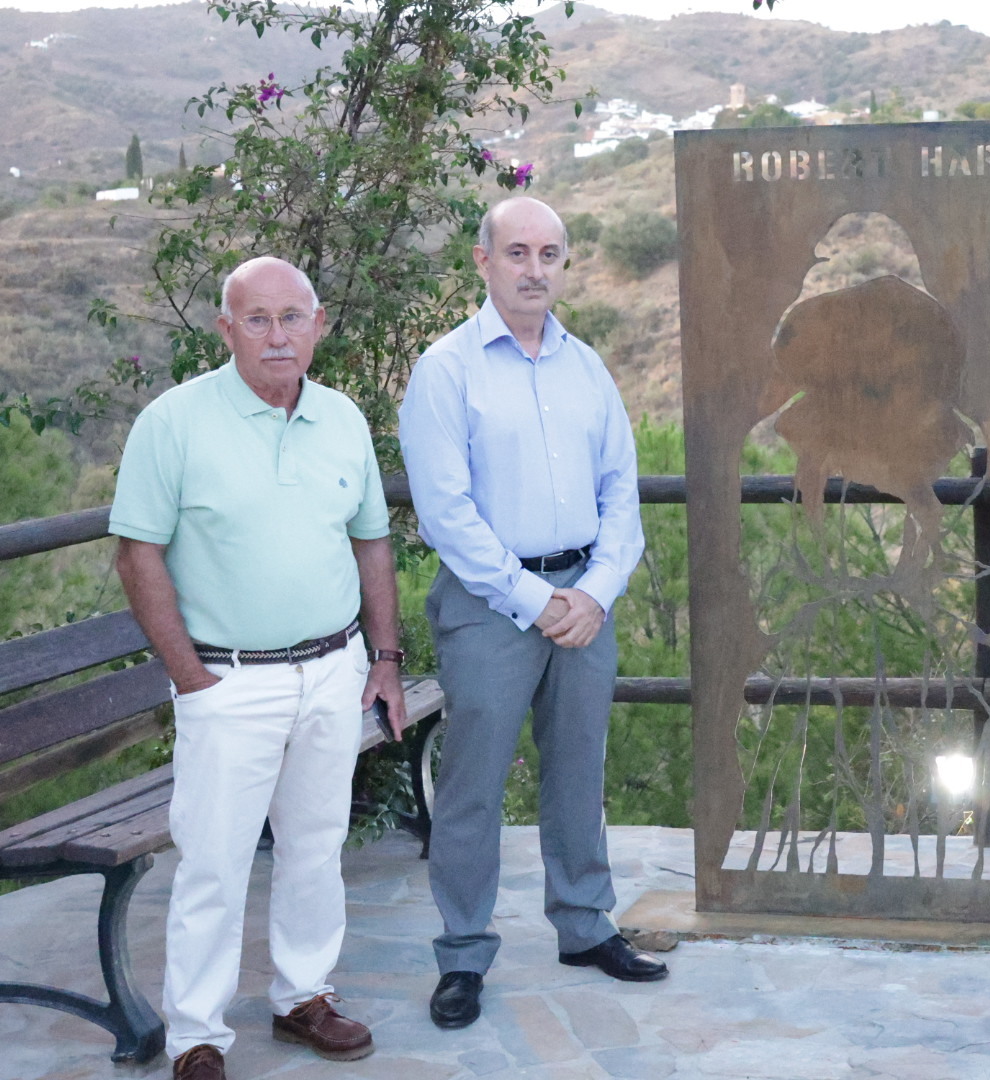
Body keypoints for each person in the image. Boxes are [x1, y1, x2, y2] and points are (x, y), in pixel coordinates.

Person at [110, 256, 407, 1079]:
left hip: (331, 670)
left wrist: (382, 659)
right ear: (227, 329)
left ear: (318, 326)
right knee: (213, 861)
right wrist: (191, 678)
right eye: (258, 319)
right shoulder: (174, 423)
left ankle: (303, 997)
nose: (278, 336)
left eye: (293, 317)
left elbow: (371, 541)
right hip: (227, 680)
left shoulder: (342, 418)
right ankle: (196, 1037)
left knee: (316, 843)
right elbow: (138, 556)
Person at [398, 195, 661, 1032]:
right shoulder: (446, 370)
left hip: (584, 602)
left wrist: (594, 591)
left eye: (549, 254)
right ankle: (465, 953)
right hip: (490, 608)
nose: (534, 269)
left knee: (580, 771)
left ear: (563, 263)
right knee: (473, 785)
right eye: (518, 253)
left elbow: (622, 489)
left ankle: (584, 926)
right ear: (484, 261)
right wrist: (533, 598)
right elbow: (445, 512)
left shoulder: (587, 367)